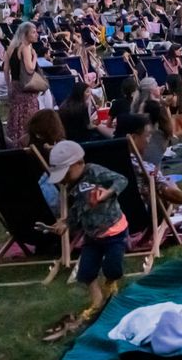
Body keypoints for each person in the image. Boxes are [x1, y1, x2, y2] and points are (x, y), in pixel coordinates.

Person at [41, 140, 129, 341]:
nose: (64, 179)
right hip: (92, 236)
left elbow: (121, 179)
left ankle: (111, 290)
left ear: (78, 163)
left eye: (65, 173)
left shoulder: (94, 172)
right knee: (86, 272)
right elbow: (79, 209)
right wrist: (66, 223)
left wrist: (108, 192)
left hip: (114, 231)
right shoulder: (73, 185)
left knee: (113, 268)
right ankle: (97, 301)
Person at [116, 114, 182, 209]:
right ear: (133, 138)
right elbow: (167, 191)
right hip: (142, 214)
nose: (149, 141)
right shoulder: (141, 166)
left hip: (116, 215)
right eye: (147, 135)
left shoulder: (110, 160)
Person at [3, 22, 42, 144]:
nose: (36, 34)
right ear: (25, 34)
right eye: (33, 32)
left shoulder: (11, 48)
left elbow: (6, 69)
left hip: (15, 85)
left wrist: (9, 85)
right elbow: (30, 69)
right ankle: (26, 141)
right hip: (26, 88)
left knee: (15, 115)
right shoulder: (25, 48)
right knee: (28, 116)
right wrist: (35, 57)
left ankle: (14, 140)